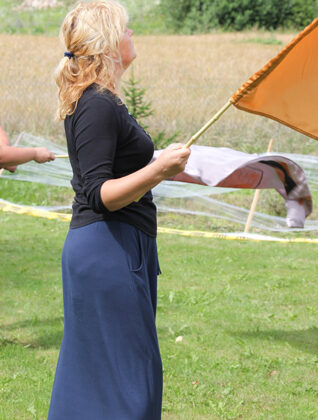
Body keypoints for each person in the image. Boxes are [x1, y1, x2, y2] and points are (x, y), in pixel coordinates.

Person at [48, 1, 190, 419]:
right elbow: (100, 193)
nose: (132, 36)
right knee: (127, 384)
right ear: (108, 43)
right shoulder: (96, 104)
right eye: (126, 30)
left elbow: (118, 175)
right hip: (107, 249)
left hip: (118, 246)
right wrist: (159, 169)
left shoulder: (104, 101)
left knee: (118, 376)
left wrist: (165, 166)